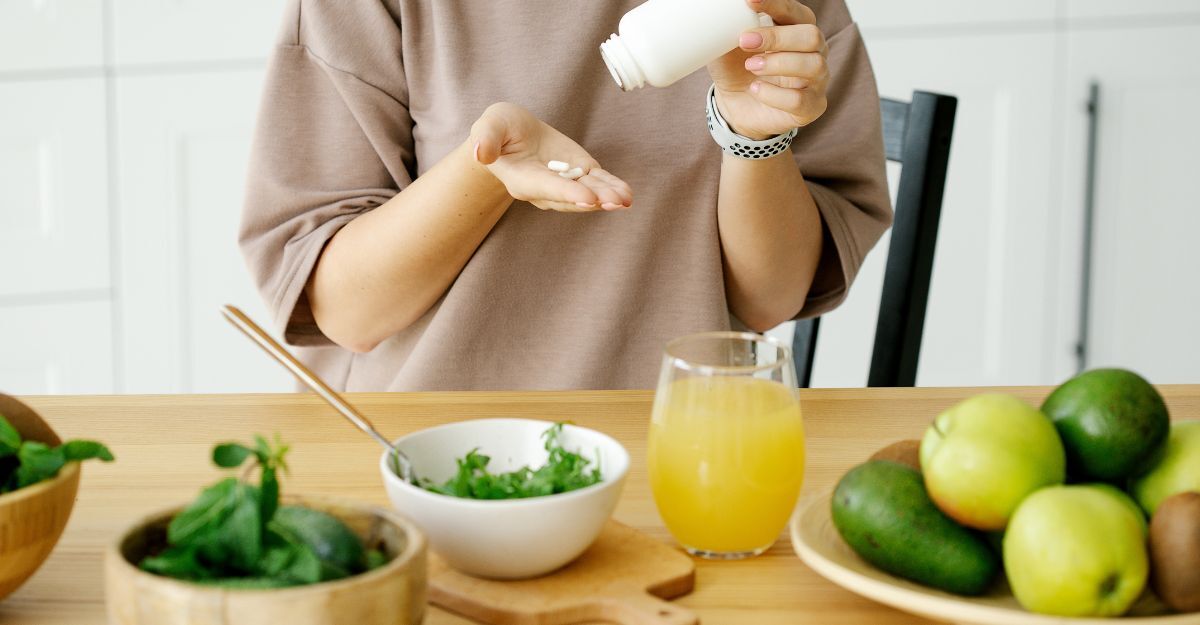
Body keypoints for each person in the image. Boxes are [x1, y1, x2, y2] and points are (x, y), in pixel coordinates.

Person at [239, 0, 892, 391]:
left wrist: (753, 136)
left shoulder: (772, 11)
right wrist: (485, 173)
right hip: (426, 463)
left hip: (679, 451)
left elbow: (769, 299)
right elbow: (349, 312)